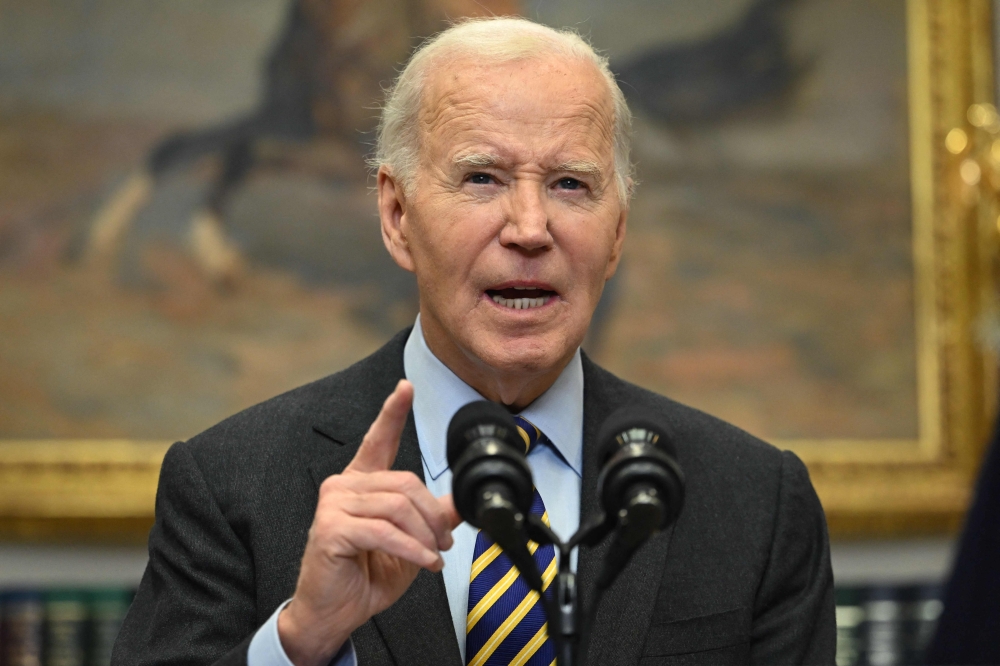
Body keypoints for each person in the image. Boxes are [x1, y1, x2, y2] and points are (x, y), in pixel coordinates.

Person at [112, 17, 835, 666]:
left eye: (571, 185)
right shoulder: (229, 483)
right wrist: (301, 641)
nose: (529, 228)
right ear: (397, 216)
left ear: (617, 234)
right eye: (482, 178)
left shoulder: (757, 502)